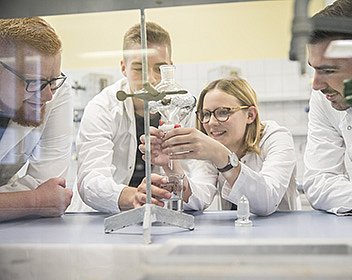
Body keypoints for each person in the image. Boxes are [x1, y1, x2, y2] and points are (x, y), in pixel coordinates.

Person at [77, 22, 210, 213]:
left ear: (170, 68)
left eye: (159, 68)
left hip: (164, 218)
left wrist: (177, 180)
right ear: (124, 67)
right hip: (103, 219)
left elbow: (202, 191)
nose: (151, 80)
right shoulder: (102, 108)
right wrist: (135, 196)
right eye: (139, 68)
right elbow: (90, 181)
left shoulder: (184, 111)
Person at [138, 78, 301, 216]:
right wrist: (170, 166)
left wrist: (221, 156)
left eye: (223, 112)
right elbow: (198, 198)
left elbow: (267, 201)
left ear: (250, 115)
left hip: (281, 236)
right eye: (206, 114)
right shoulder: (214, 146)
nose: (211, 123)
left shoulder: (276, 137)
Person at [0, 17, 73, 221]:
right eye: (34, 82)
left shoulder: (56, 91)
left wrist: (16, 202)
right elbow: (43, 197)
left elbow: (49, 183)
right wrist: (34, 201)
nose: (49, 96)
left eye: (52, 81)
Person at [303, 0, 352, 215]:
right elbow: (318, 181)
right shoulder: (327, 99)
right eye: (314, 69)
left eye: (329, 71)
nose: (316, 85)